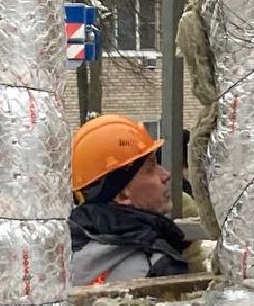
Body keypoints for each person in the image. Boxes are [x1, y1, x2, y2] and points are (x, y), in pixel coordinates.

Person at [69, 114, 200, 286]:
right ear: (122, 195)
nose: (165, 175)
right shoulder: (158, 265)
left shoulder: (65, 250)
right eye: (151, 169)